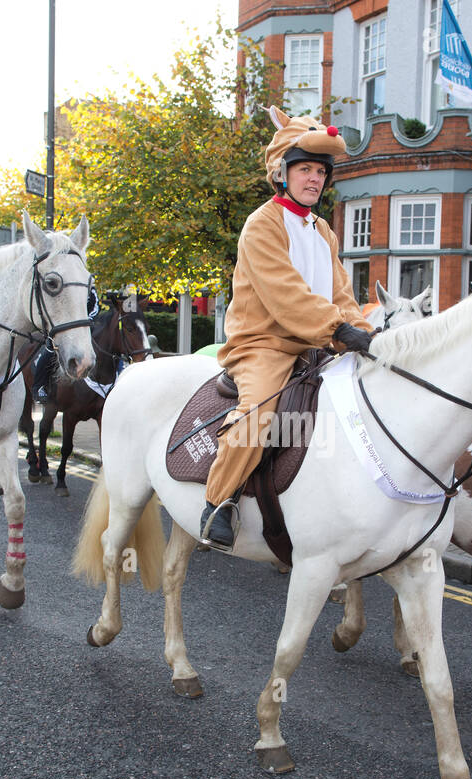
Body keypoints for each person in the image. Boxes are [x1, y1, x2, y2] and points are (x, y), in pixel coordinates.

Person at [199, 106, 373, 549]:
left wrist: (362, 332)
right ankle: (219, 501)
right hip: (265, 344)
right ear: (283, 172)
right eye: (305, 170)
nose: (314, 179)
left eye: (321, 171)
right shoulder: (262, 225)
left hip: (319, 343)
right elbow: (286, 294)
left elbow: (341, 295)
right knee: (258, 415)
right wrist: (338, 329)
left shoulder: (323, 231)